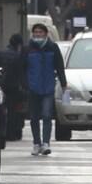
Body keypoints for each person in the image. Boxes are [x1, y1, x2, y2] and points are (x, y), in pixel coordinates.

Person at [23, 23, 68, 156]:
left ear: (46, 34)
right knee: (34, 117)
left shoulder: (53, 48)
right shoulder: (28, 49)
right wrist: (24, 84)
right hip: (32, 88)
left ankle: (46, 143)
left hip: (48, 87)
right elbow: (22, 67)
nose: (38, 34)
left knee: (47, 115)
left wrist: (63, 83)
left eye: (40, 32)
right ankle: (37, 143)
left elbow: (59, 66)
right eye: (35, 32)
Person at [0, 34, 28, 141]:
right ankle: (12, 134)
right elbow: (22, 73)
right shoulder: (18, 57)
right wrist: (24, 87)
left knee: (0, 110)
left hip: (0, 86)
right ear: (19, 45)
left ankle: (1, 132)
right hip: (14, 88)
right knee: (14, 112)